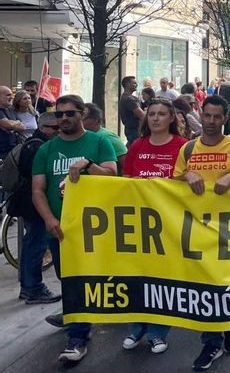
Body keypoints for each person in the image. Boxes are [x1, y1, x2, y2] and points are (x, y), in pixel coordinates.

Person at [31, 94, 117, 363]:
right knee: (68, 280)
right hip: (61, 231)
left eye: (70, 113)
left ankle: (77, 337)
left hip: (95, 229)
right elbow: (38, 190)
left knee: (83, 282)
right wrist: (48, 219)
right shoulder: (46, 150)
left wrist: (90, 165)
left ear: (82, 114)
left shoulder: (100, 141)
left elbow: (113, 175)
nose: (64, 118)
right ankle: (80, 322)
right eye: (59, 115)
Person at [173, 95, 230, 370]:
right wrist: (186, 176)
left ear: (224, 119)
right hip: (196, 229)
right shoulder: (188, 149)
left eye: (218, 117)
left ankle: (229, 328)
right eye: (208, 116)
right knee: (205, 286)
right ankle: (211, 342)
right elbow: (171, 183)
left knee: (225, 283)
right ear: (200, 115)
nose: (212, 121)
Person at [121, 97, 188, 354]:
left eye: (161, 114)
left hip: (171, 223)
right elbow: (127, 182)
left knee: (165, 279)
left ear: (172, 118)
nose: (156, 118)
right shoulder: (137, 145)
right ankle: (138, 326)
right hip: (141, 223)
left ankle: (158, 332)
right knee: (140, 276)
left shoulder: (183, 146)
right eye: (152, 114)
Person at [8, 113, 60, 305]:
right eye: (55, 128)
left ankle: (29, 287)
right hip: (33, 204)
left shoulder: (33, 143)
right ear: (45, 127)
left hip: (29, 203)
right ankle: (33, 288)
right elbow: (38, 178)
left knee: (32, 243)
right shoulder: (38, 147)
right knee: (35, 245)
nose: (58, 131)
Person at [82, 103, 127, 172]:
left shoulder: (107, 137)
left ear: (95, 119)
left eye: (83, 119)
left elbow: (126, 164)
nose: (79, 122)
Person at [0, 85, 25, 157]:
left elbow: (23, 127)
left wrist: (12, 125)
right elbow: (8, 125)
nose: (12, 97)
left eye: (11, 95)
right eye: (8, 95)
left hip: (13, 150)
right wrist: (16, 123)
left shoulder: (11, 110)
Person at [119, 76, 145, 145]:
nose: (136, 85)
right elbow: (142, 115)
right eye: (134, 83)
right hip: (135, 130)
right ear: (127, 84)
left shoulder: (125, 97)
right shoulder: (129, 99)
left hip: (131, 129)